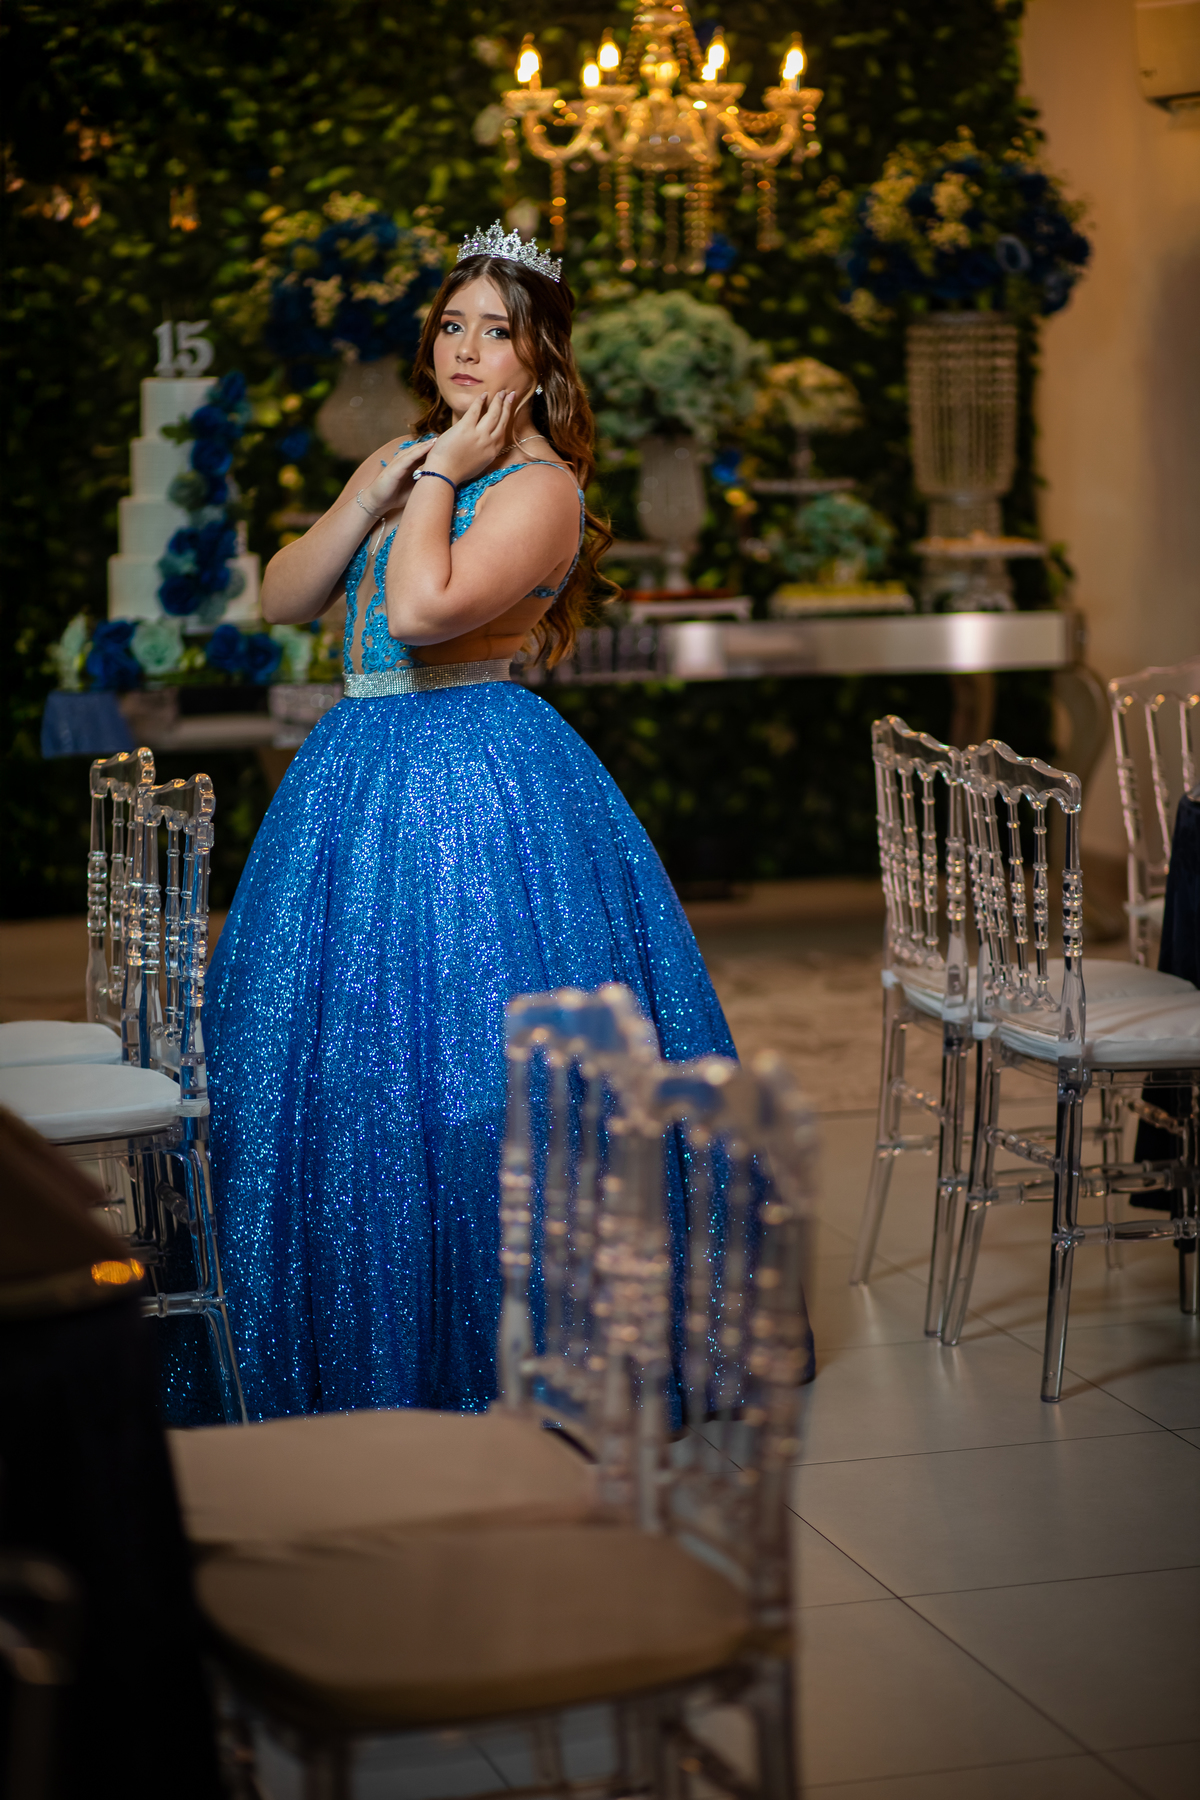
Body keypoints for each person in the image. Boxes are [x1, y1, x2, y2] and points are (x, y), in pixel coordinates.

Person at [203, 223, 735, 1421]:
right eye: (453, 325)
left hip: (472, 779)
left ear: (540, 362)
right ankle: (346, 1340)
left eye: (498, 332)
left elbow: (421, 611)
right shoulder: (407, 455)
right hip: (356, 769)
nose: (466, 349)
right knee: (346, 1066)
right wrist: (378, 484)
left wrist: (439, 477)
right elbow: (285, 593)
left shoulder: (542, 488)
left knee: (470, 1070)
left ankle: (497, 1356)